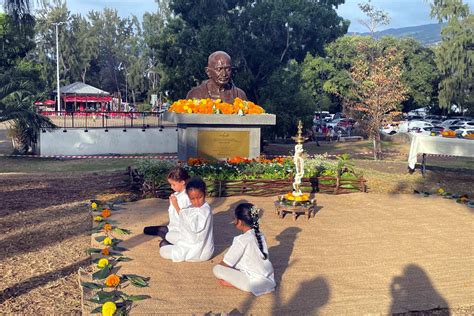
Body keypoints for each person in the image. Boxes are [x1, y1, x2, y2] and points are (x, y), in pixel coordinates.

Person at [213, 203, 276, 296]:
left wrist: (222, 264)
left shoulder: (241, 240)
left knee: (217, 269)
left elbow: (225, 264)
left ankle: (237, 285)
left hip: (254, 283)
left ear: (240, 221)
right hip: (268, 280)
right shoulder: (260, 235)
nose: (234, 221)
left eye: (235, 219)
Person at [159, 177, 214, 262]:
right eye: (192, 199)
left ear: (205, 193)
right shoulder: (198, 207)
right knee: (169, 235)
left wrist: (176, 205)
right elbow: (186, 216)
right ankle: (170, 244)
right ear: (188, 197)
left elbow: (194, 227)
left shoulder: (204, 210)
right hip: (189, 239)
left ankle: (172, 247)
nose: (196, 202)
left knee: (162, 251)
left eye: (199, 197)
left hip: (197, 251)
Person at [143, 167, 191, 247]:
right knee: (147, 230)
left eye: (174, 184)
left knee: (163, 244)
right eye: (171, 184)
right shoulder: (176, 194)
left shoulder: (187, 197)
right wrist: (171, 203)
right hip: (173, 226)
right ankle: (167, 234)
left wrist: (175, 204)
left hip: (181, 230)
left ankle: (176, 241)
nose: (172, 187)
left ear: (182, 182)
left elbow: (186, 218)